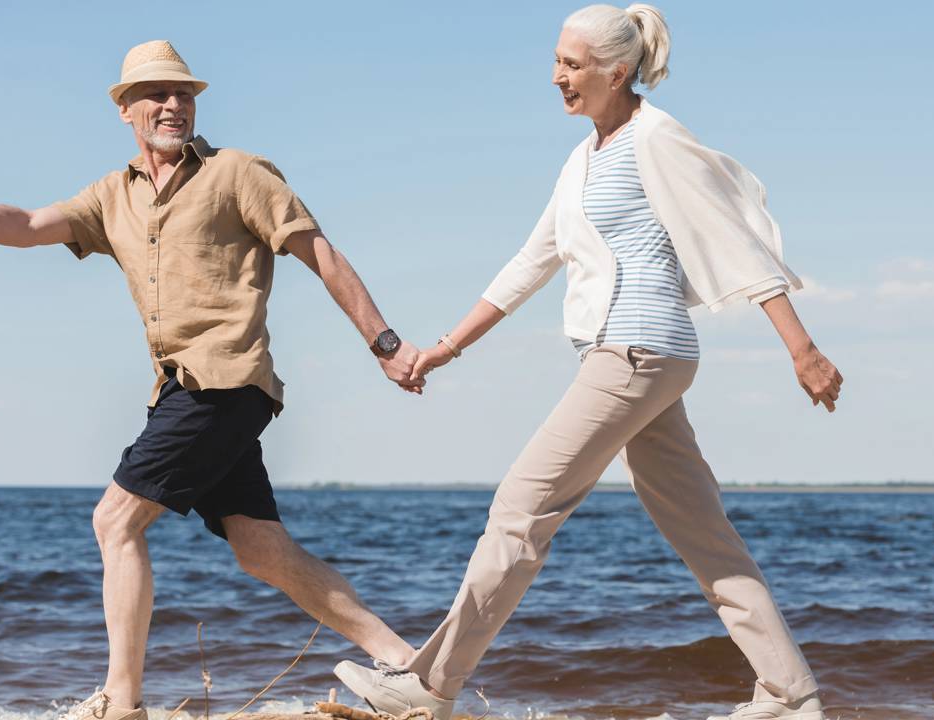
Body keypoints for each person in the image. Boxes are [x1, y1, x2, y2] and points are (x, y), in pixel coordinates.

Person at [333, 5, 841, 720]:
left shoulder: (655, 139)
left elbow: (732, 237)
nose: (556, 77)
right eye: (556, 61)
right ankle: (790, 694)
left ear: (618, 70)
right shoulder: (585, 159)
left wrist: (801, 345)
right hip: (641, 358)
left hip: (634, 351)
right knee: (702, 530)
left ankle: (430, 687)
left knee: (520, 508)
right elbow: (530, 261)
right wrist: (442, 350)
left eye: (571, 65)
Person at [0, 40, 420, 720]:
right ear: (125, 109)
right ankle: (406, 666)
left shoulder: (238, 173)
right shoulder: (112, 196)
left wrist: (383, 342)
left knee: (115, 520)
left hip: (227, 380)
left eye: (183, 93)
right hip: (183, 388)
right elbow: (32, 225)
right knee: (261, 550)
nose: (173, 104)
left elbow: (319, 250)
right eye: (155, 94)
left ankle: (122, 701)